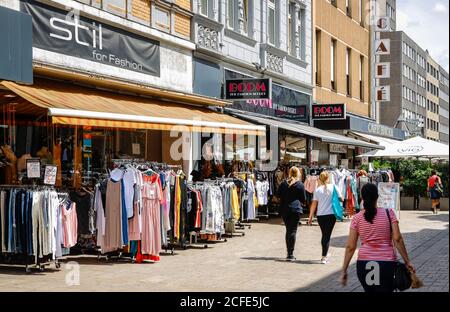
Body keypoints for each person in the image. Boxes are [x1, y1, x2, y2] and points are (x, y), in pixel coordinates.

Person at [341, 183, 415, 292]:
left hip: (364, 264)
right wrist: (407, 261)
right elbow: (397, 239)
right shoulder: (389, 213)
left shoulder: (357, 218)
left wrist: (344, 270)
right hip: (386, 264)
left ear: (362, 197)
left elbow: (350, 247)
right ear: (377, 197)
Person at [308, 171, 343, 264]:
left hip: (320, 216)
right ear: (328, 178)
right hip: (331, 215)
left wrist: (310, 216)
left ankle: (325, 254)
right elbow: (342, 199)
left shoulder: (317, 190)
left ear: (320, 179)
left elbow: (314, 204)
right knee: (326, 236)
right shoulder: (334, 187)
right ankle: (324, 257)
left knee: (325, 235)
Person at [278, 166, 306, 261]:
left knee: (288, 230)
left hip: (285, 209)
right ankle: (290, 254)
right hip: (296, 210)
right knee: (293, 231)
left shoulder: (283, 183)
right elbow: (303, 199)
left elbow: (278, 195)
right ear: (298, 173)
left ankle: (289, 253)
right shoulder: (300, 185)